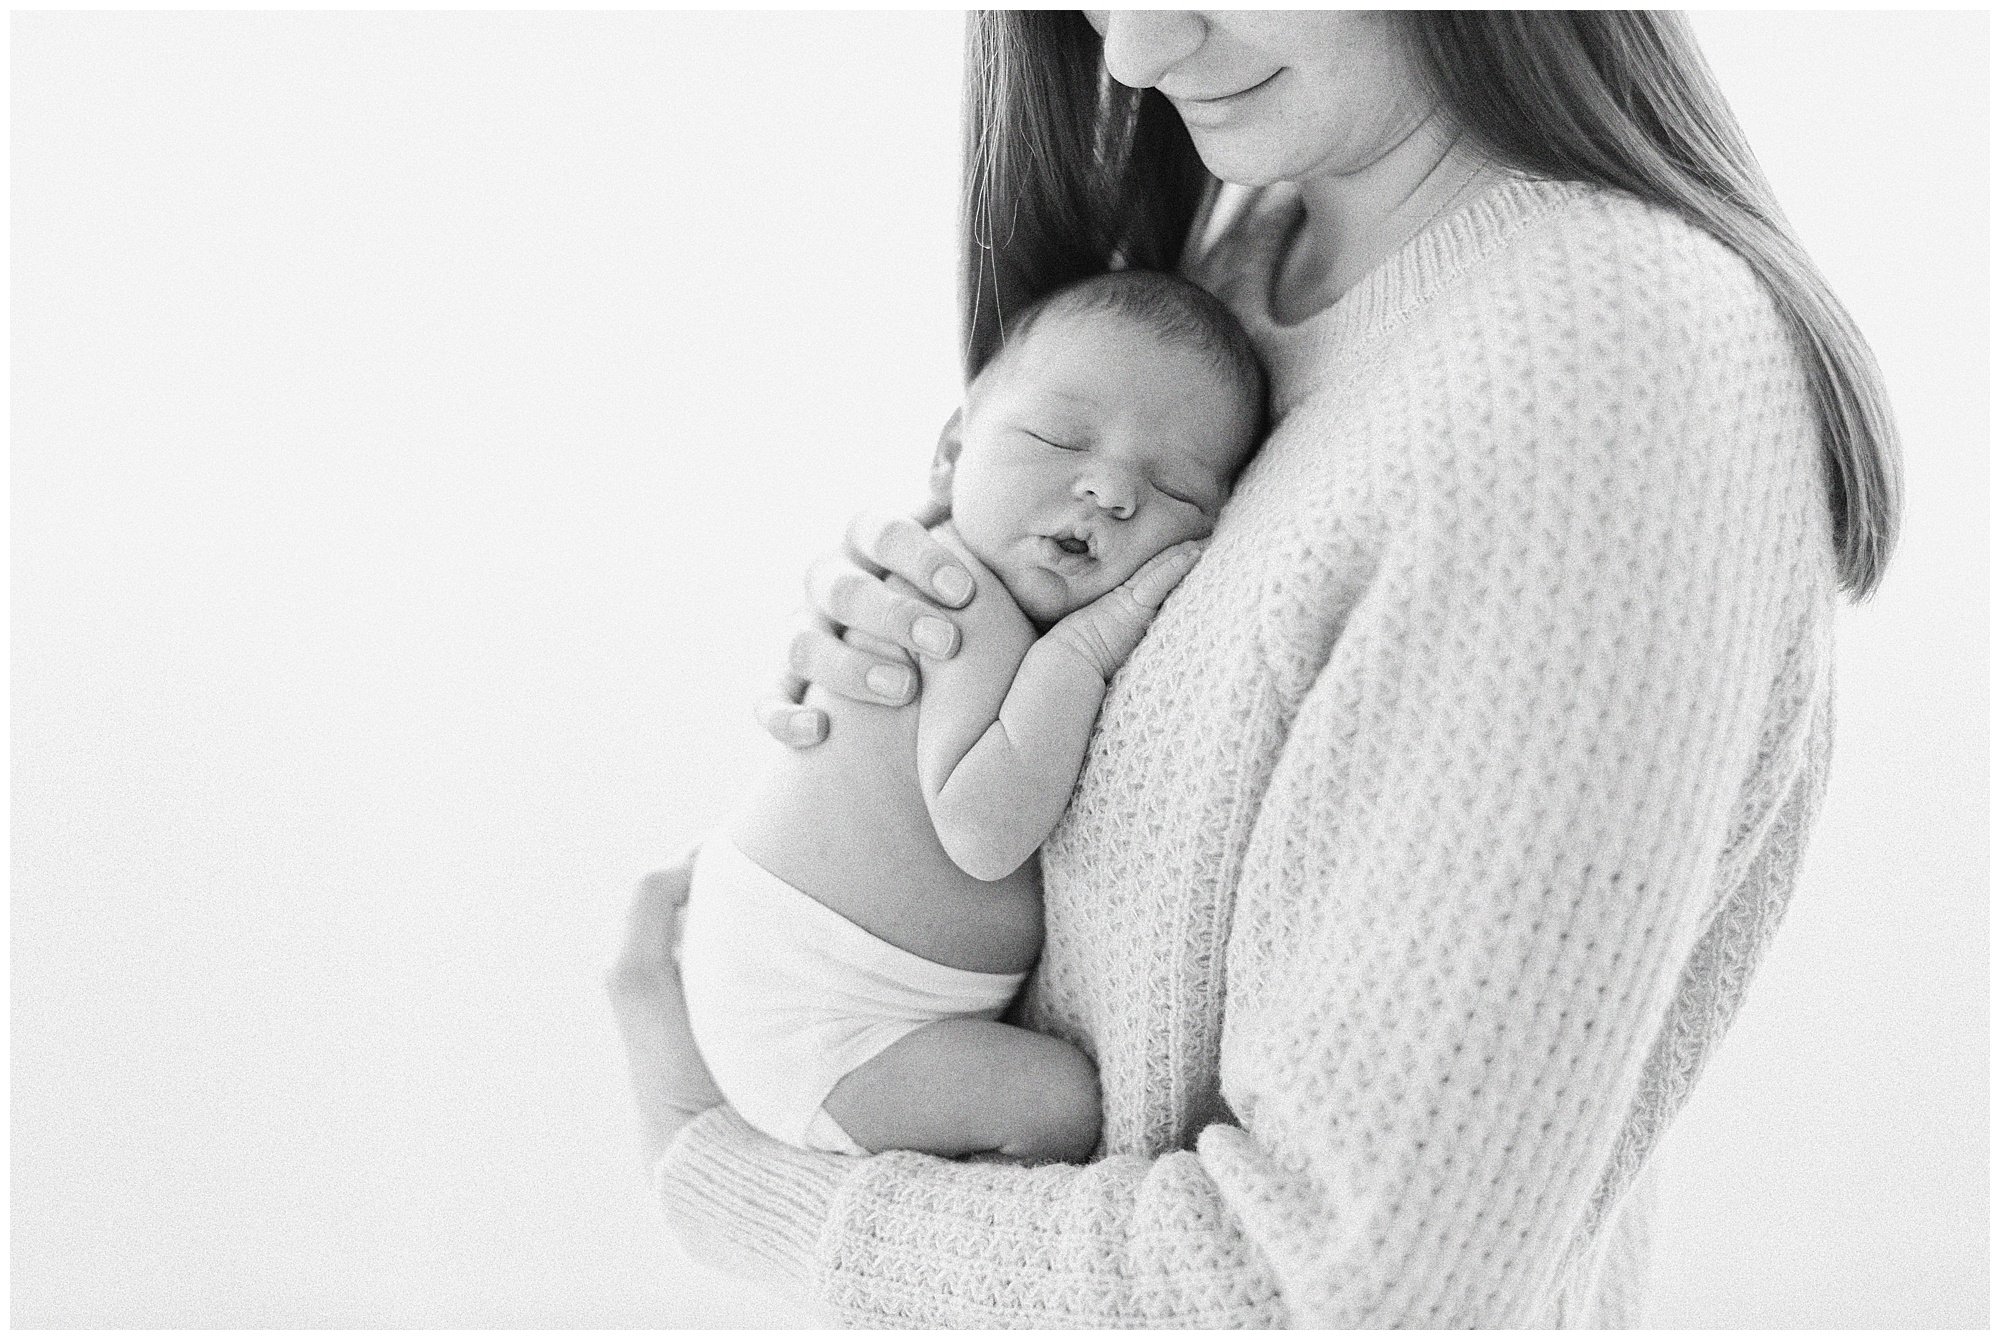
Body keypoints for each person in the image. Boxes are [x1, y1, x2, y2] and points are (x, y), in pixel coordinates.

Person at [608, 10, 1901, 1327]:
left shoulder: (1597, 358)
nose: (1133, 51)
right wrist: (922, 639)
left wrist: (728, 1181)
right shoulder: (1245, 278)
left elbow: (1338, 1291)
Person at [681, 270, 1263, 1163]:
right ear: (954, 450)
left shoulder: (967, 597)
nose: (1108, 489)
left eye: (1174, 487)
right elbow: (986, 828)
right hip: (821, 1012)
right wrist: (1083, 652)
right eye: (1057, 437)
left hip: (793, 970)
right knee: (1062, 1104)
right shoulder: (961, 605)